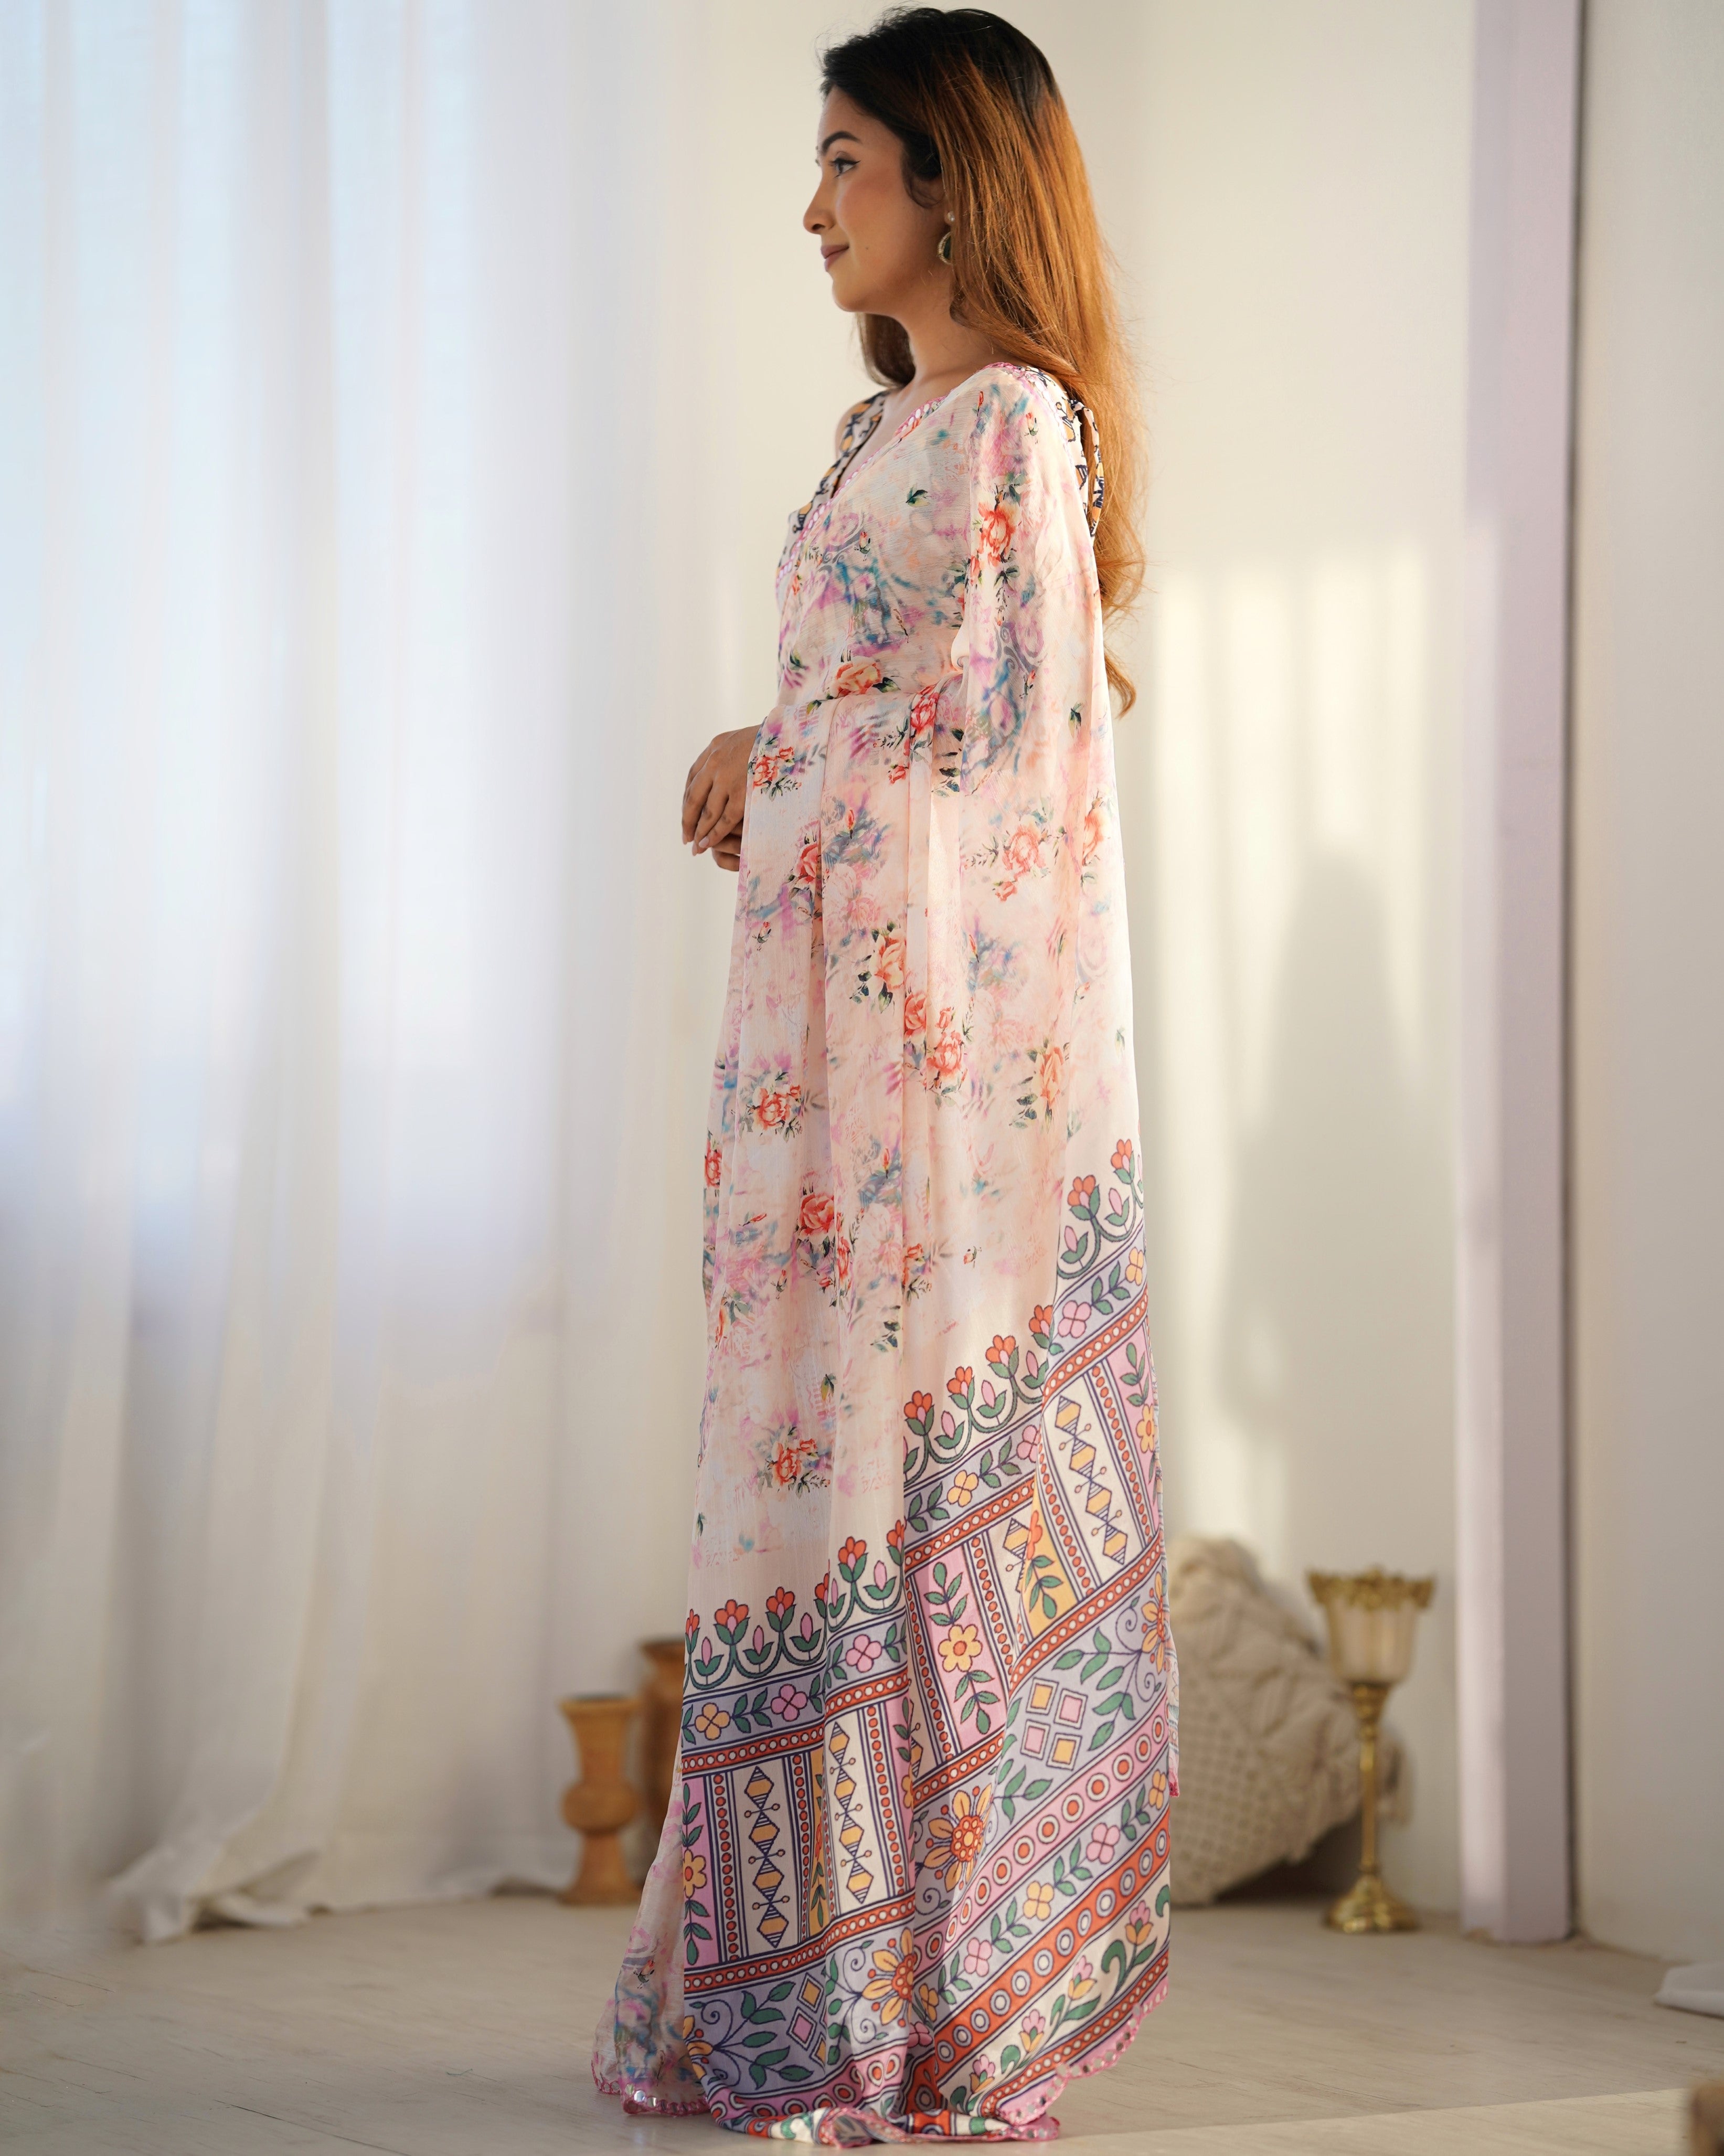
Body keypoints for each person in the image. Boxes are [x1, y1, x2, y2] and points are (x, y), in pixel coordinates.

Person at [593, 9, 1176, 2138]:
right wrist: (783, 764)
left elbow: (1010, 759)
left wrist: (783, 759)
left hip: (933, 1091)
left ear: (954, 175)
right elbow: (893, 712)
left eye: (847, 156)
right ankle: (766, 1977)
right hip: (817, 1073)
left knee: (892, 1484)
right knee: (789, 1469)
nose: (813, 201)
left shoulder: (1015, 422)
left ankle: (911, 1996)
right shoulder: (879, 437)